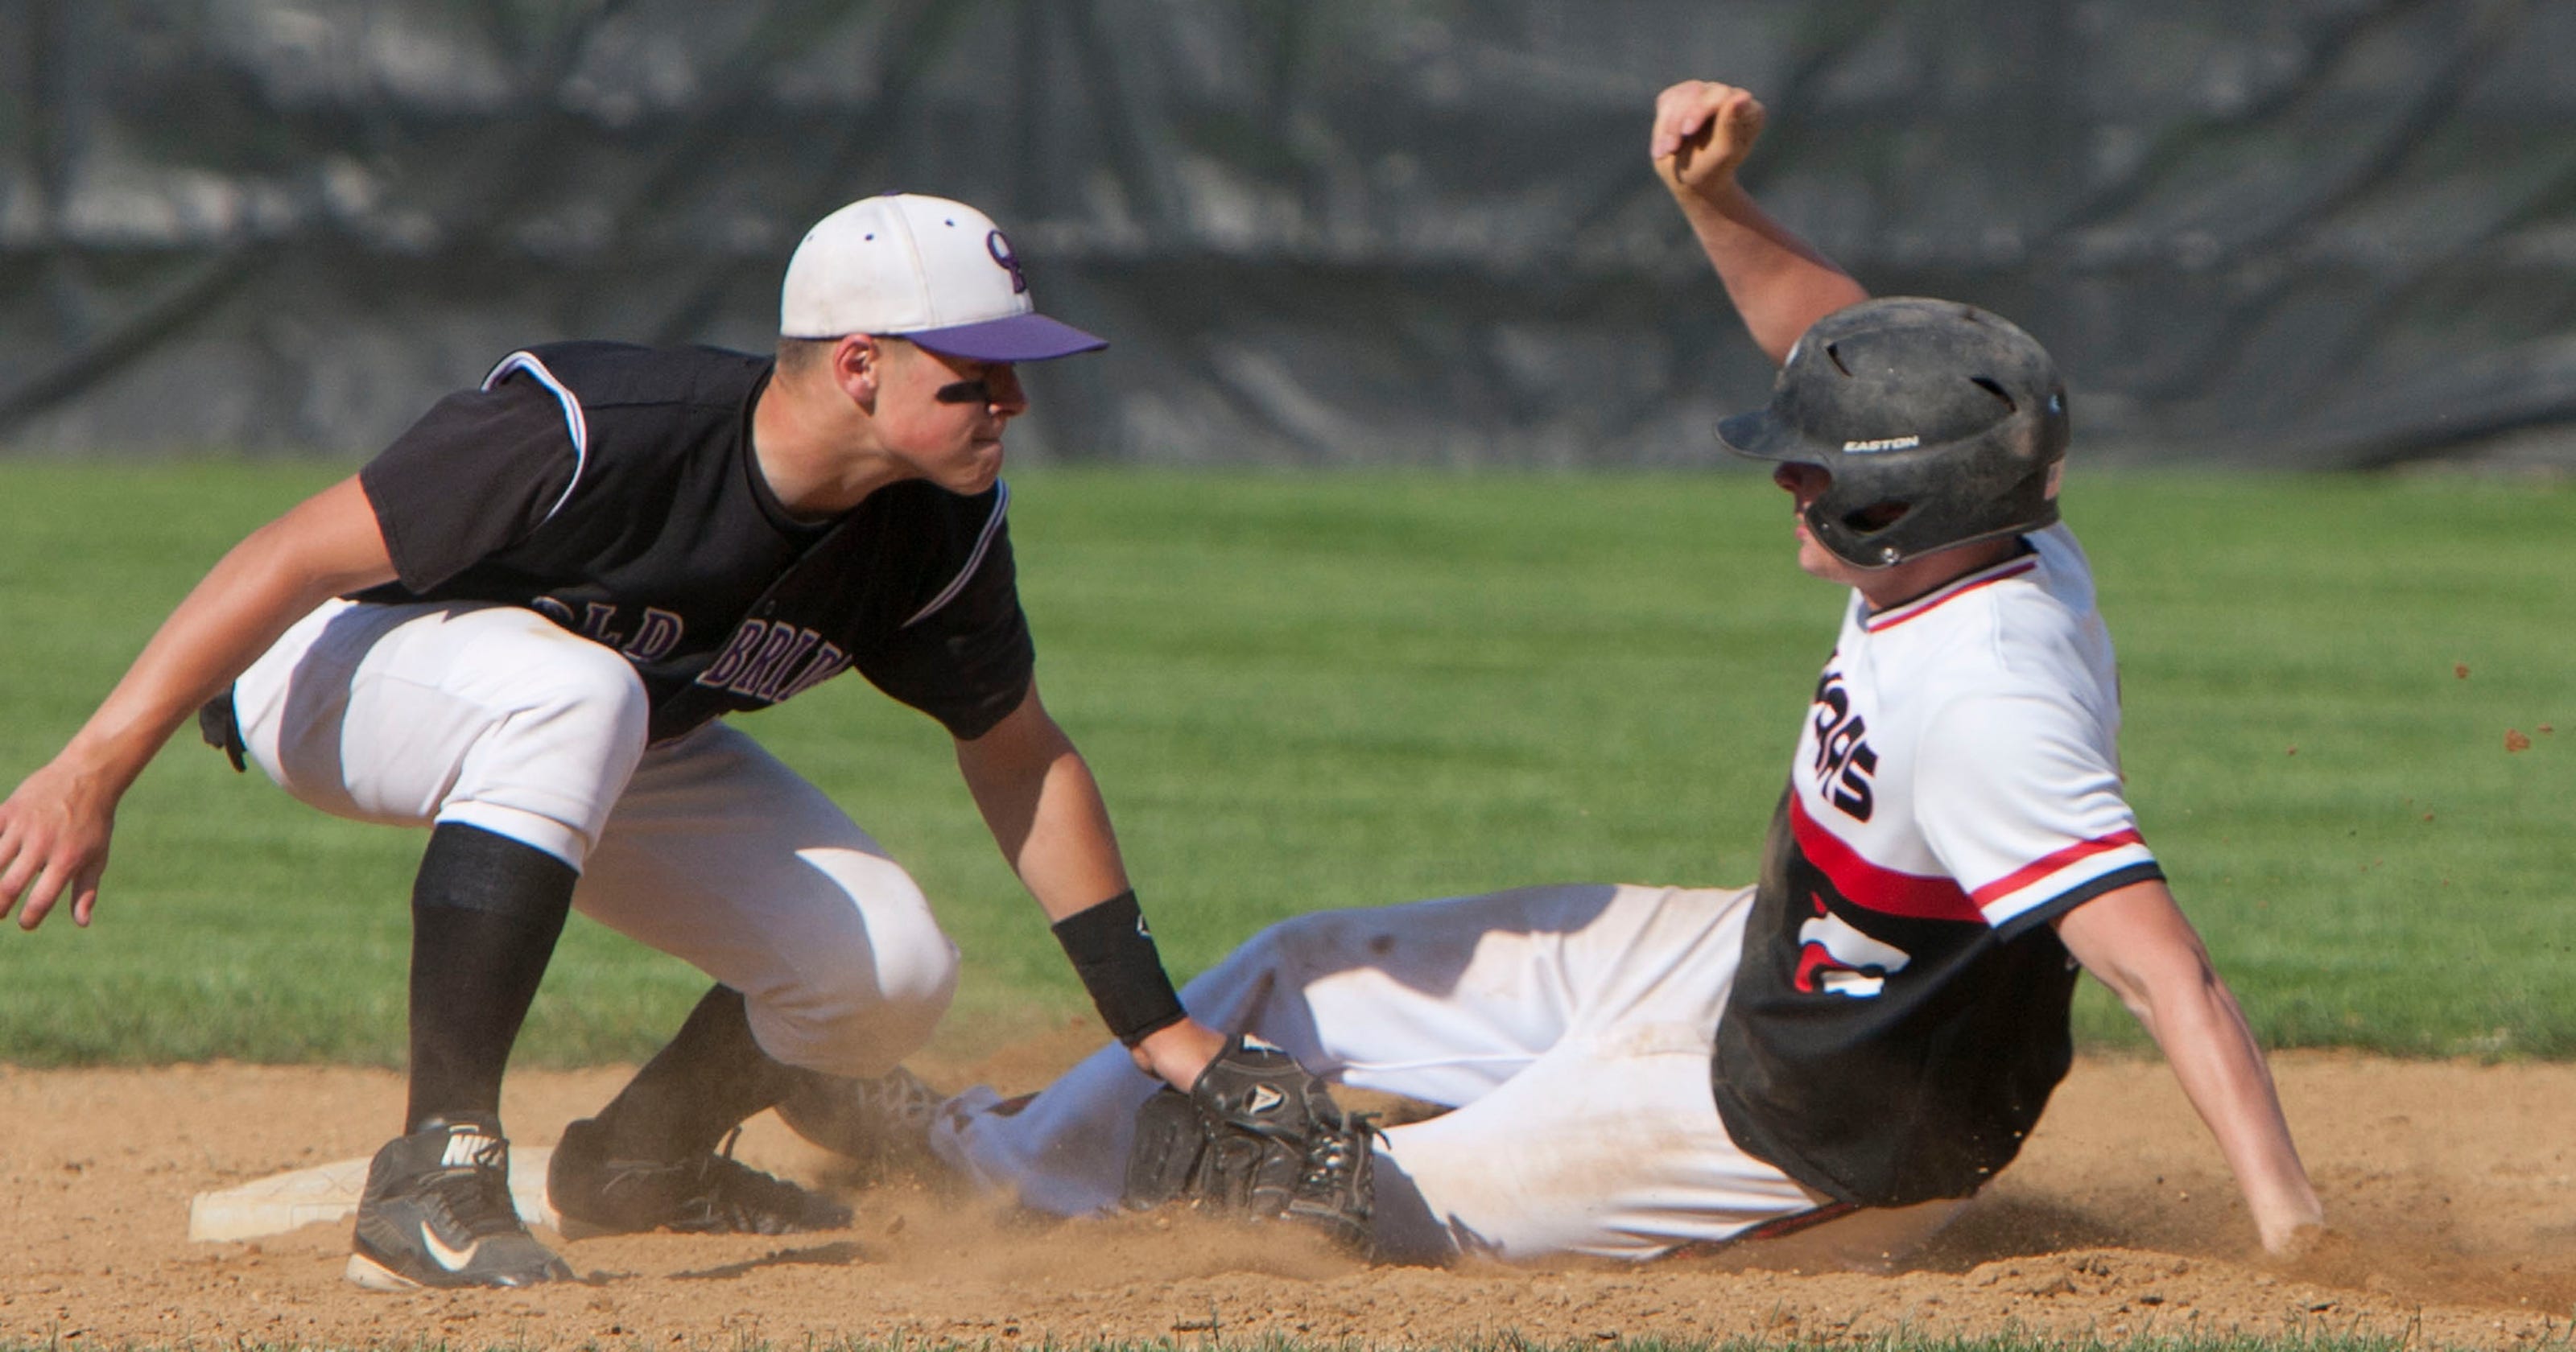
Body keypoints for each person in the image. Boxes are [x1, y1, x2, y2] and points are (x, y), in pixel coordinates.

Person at [922, 84, 2327, 1266]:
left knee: (1351, 1208)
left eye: (1812, 469)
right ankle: (978, 1156)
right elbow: (1831, 341)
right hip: (1760, 960)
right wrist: (1715, 201)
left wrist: (2292, 1234)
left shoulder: (1988, 699)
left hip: (1822, 1122)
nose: (1789, 478)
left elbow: (2165, 975)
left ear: (1896, 504)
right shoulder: (1990, 520)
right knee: (1296, 966)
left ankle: (1076, 1203)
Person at [0, 193, 1235, 1290]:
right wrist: (92, 769)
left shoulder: (937, 532)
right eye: (977, 375)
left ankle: (644, 1160)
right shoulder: (605, 428)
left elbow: (1019, 755)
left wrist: (1162, 1033)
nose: (1013, 402)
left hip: (600, 723)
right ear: (861, 365)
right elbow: (290, 554)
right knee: (581, 697)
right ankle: (435, 1170)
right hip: (333, 668)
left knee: (888, 972)